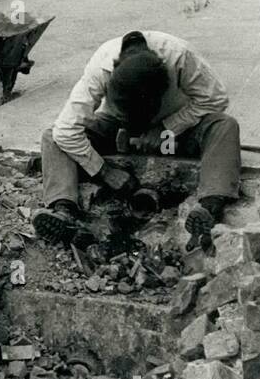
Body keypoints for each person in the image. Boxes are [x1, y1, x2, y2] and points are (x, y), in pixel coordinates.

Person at [32, 30, 241, 252]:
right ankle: (65, 211)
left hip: (175, 129)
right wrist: (103, 171)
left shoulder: (179, 57)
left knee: (224, 126)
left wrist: (166, 127)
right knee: (52, 136)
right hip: (118, 126)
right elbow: (66, 130)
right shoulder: (101, 67)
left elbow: (216, 98)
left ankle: (209, 207)